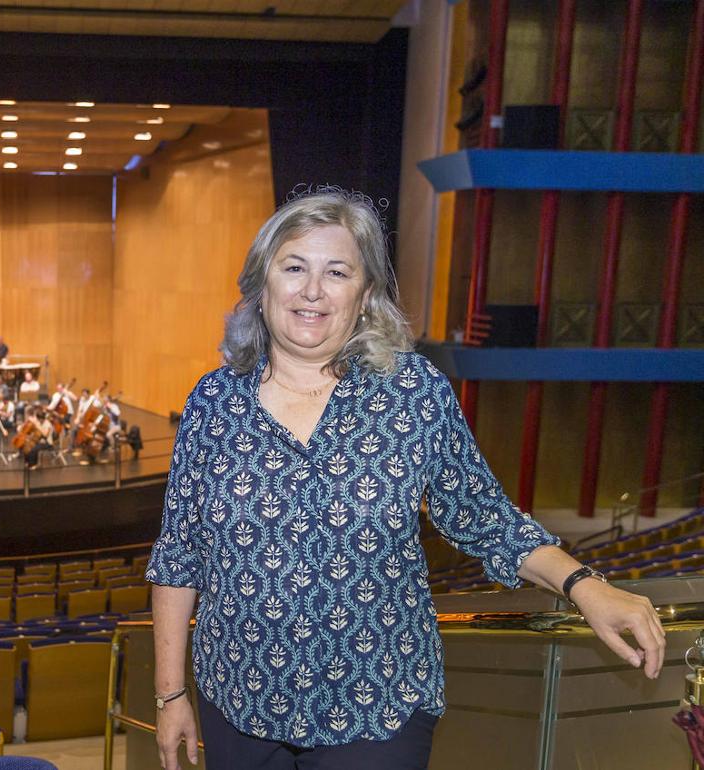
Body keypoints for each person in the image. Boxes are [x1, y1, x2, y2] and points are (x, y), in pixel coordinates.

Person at [147, 188, 666, 770]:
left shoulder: (412, 393)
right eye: (294, 267)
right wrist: (171, 696)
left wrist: (585, 587)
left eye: (337, 272)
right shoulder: (213, 403)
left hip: (379, 709)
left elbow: (486, 520)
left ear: (365, 295)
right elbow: (179, 556)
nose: (312, 290)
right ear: (261, 284)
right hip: (239, 700)